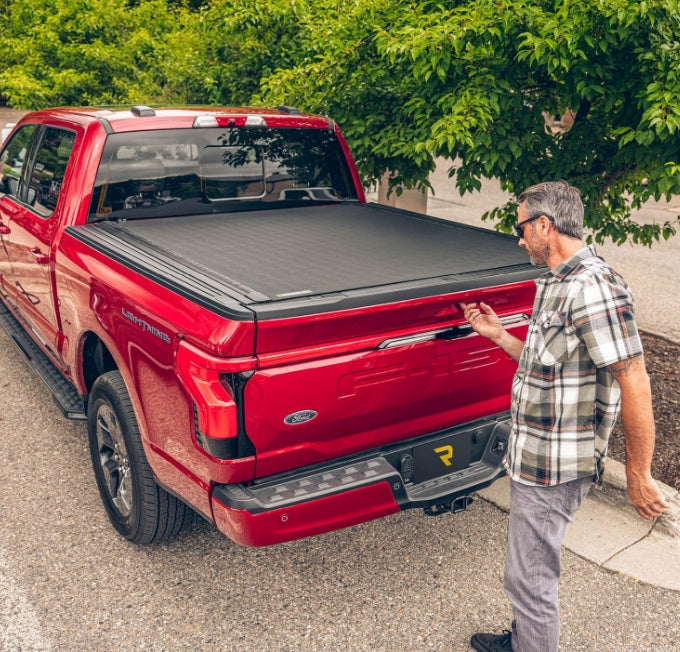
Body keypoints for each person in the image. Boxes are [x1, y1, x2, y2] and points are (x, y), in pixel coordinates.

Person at [461, 181, 668, 652]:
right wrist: (497, 335)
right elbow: (546, 367)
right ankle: (523, 639)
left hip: (556, 467)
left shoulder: (591, 285)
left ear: (544, 225)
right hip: (534, 456)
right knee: (529, 570)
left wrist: (638, 473)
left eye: (520, 228)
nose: (518, 239)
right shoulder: (555, 282)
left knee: (530, 580)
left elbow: (634, 377)